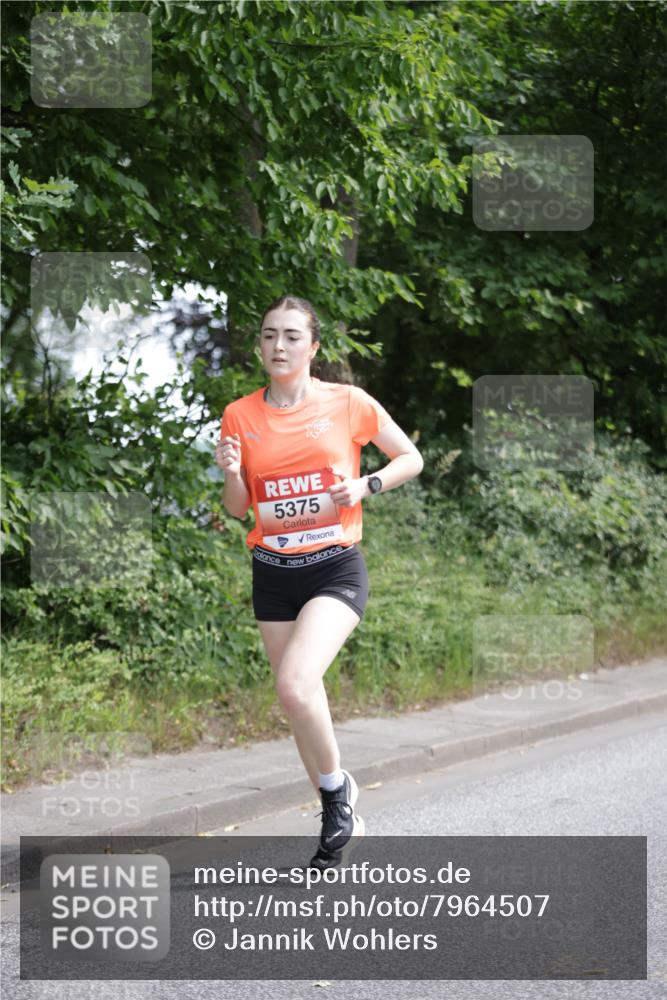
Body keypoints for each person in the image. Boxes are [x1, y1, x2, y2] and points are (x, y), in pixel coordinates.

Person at [216, 295, 423, 869]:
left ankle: (337, 795)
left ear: (313, 347)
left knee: (294, 684)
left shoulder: (347, 402)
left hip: (334, 565)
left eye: (289, 336)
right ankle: (336, 818)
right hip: (273, 573)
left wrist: (367, 487)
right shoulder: (240, 415)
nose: (277, 346)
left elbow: (411, 458)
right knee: (301, 699)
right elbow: (239, 509)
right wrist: (232, 474)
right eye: (267, 336)